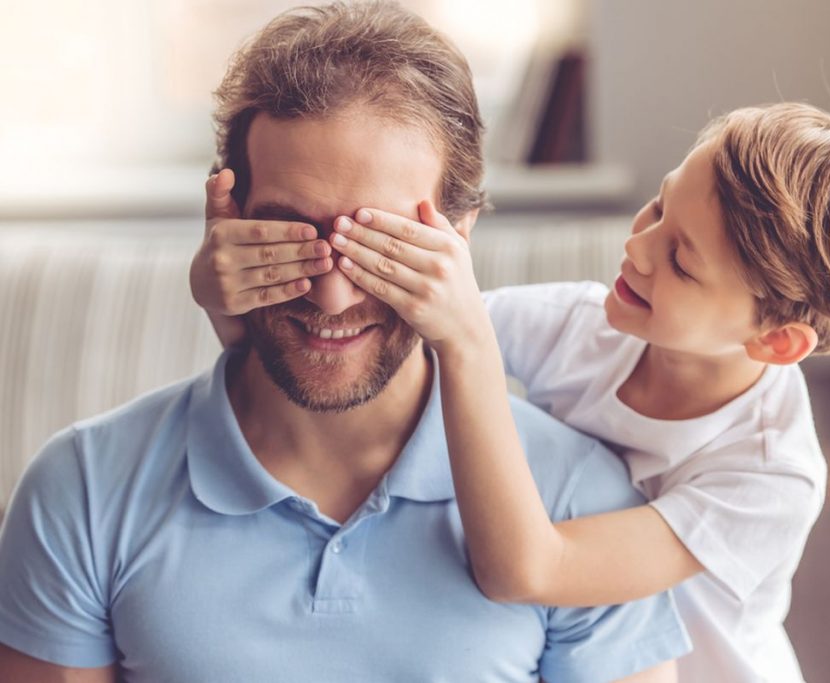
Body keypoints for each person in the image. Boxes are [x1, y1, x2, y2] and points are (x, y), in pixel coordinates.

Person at [0, 3, 689, 681]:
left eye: (382, 245)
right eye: (290, 235)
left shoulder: (582, 504)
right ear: (227, 222)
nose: (332, 297)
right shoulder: (84, 489)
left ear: (461, 235)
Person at [196, 101, 830, 681]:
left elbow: (529, 569)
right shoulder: (581, 324)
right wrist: (225, 301)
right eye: (659, 206)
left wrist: (464, 340)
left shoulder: (768, 475)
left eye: (683, 261)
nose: (638, 246)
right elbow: (363, 371)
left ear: (775, 340)